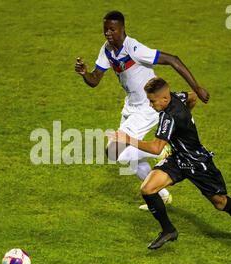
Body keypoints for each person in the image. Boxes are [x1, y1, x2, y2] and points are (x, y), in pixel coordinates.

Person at [108, 77, 231, 250]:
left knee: (219, 202)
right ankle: (168, 230)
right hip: (177, 158)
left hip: (197, 162)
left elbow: (157, 148)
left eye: (152, 101)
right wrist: (186, 119)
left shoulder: (168, 117)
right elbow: (192, 96)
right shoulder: (176, 96)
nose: (151, 105)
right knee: (147, 189)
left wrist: (128, 139)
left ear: (164, 99)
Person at [75, 10, 210, 207]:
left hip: (148, 106)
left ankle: (161, 152)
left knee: (113, 152)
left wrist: (197, 87)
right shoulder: (107, 49)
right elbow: (95, 80)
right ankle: (161, 194)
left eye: (112, 29)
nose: (108, 33)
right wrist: (85, 73)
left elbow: (174, 59)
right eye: (105, 29)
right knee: (131, 159)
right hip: (131, 106)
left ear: (122, 29)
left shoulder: (134, 48)